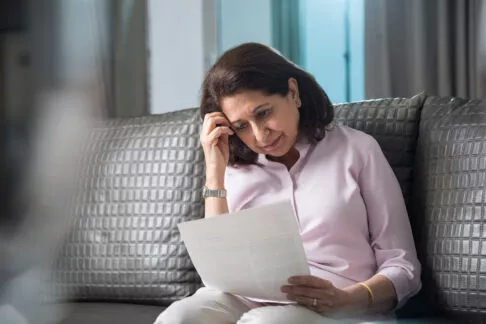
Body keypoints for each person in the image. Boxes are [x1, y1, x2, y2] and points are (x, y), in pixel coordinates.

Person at [154, 43, 421, 324]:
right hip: (245, 300)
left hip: (339, 307)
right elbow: (219, 272)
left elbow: (404, 266)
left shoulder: (358, 150)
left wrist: (349, 299)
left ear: (292, 92)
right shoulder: (234, 172)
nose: (259, 135)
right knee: (179, 318)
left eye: (263, 113)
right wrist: (214, 170)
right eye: (241, 126)